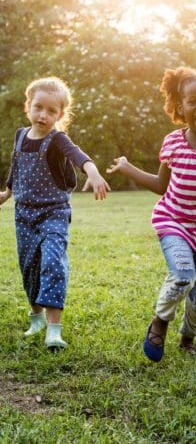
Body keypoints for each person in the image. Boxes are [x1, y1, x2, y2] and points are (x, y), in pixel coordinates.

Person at [107, 67, 196, 362]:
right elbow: (160, 185)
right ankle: (160, 321)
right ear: (180, 107)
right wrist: (128, 168)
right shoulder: (172, 142)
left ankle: (188, 338)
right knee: (183, 276)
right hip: (174, 221)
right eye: (192, 102)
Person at [0, 77, 110, 349]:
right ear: (28, 106)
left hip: (54, 213)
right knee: (29, 268)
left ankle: (53, 329)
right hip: (23, 215)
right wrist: (6, 193)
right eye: (38, 107)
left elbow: (77, 155)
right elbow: (16, 167)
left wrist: (93, 172)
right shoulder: (20, 136)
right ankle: (35, 317)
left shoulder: (57, 139)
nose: (43, 115)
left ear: (61, 114)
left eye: (51, 111)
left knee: (52, 262)